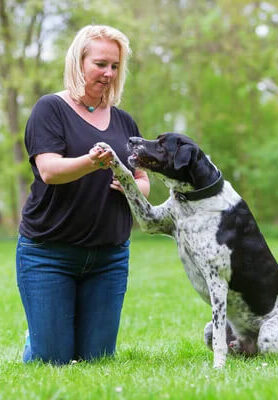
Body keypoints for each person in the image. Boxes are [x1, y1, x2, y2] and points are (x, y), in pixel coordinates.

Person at [16, 25, 150, 365]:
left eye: (115, 66)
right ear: (79, 62)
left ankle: (56, 329)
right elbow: (49, 170)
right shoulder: (50, 109)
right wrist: (92, 162)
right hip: (49, 254)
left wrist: (135, 188)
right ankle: (42, 334)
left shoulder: (124, 122)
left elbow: (142, 178)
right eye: (100, 64)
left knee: (97, 362)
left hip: (109, 258)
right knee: (54, 361)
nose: (108, 73)